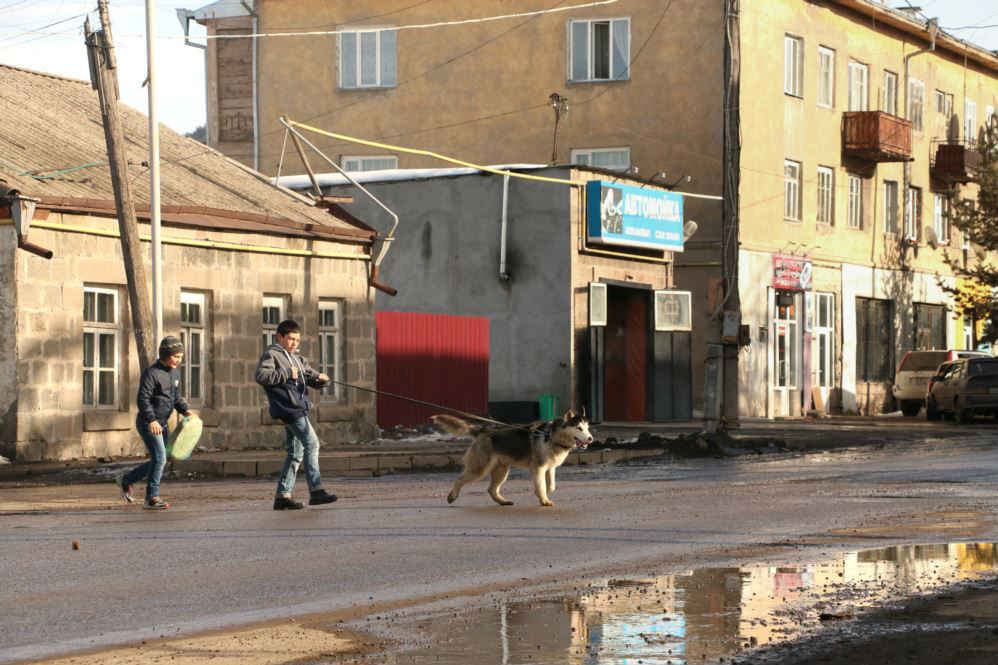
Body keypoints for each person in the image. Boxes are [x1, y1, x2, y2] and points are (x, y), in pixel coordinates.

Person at [255, 320, 338, 510]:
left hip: (298, 408)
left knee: (296, 453)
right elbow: (261, 376)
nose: (294, 343)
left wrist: (321, 379)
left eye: (297, 340)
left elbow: (309, 375)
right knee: (313, 443)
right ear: (279, 337)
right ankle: (316, 491)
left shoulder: (298, 358)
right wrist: (286, 373)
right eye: (291, 339)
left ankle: (282, 496)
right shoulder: (272, 354)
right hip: (288, 409)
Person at [117, 336, 191, 510]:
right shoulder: (152, 373)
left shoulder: (175, 374)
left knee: (158, 459)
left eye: (181, 357)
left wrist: (186, 410)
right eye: (176, 357)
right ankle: (151, 498)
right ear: (165, 354)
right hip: (148, 423)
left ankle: (127, 479)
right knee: (160, 458)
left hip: (162, 423)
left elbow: (175, 398)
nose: (179, 361)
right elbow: (143, 399)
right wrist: (151, 420)